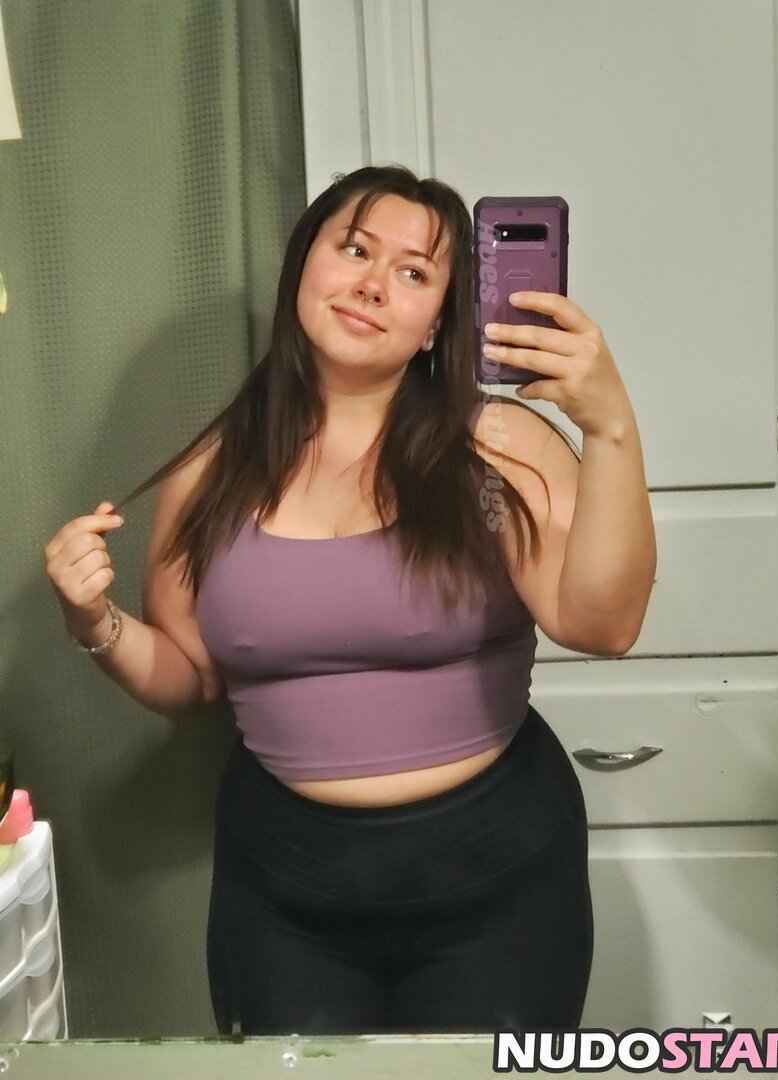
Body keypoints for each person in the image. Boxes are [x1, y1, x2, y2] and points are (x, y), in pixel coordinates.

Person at [44, 165, 656, 1036]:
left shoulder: (499, 447)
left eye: (413, 272)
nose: (373, 284)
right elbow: (189, 678)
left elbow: (604, 625)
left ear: (437, 322)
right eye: (355, 250)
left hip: (498, 877)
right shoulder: (211, 471)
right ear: (305, 265)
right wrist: (94, 622)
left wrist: (610, 427)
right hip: (285, 891)